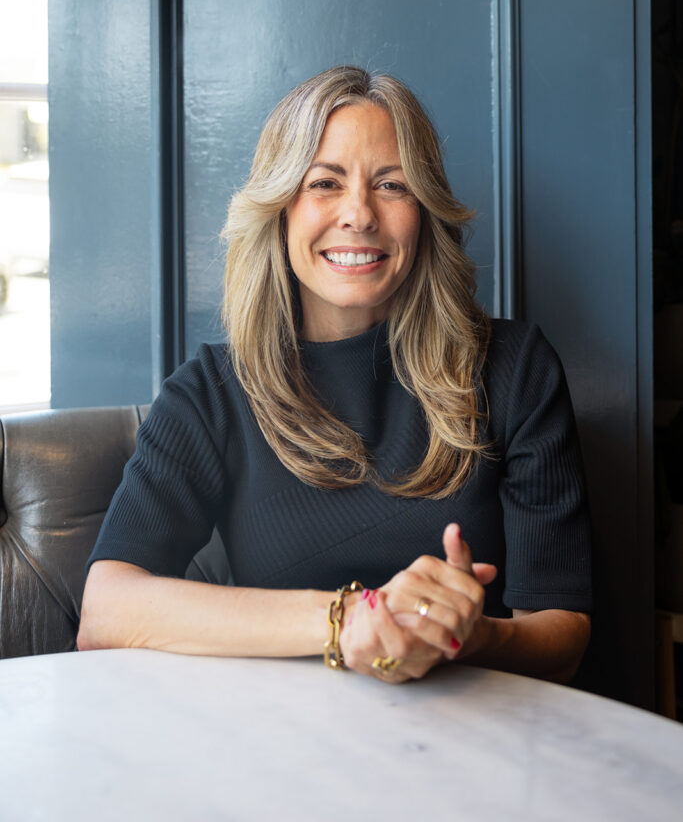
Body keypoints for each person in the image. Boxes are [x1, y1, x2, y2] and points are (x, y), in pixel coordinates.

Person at [78, 66, 591, 684]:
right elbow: (106, 612)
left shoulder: (515, 369)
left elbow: (562, 633)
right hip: (282, 750)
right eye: (324, 182)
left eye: (392, 185)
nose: (359, 213)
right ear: (281, 209)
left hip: (481, 747)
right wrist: (352, 620)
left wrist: (468, 635)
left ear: (424, 212)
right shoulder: (211, 393)